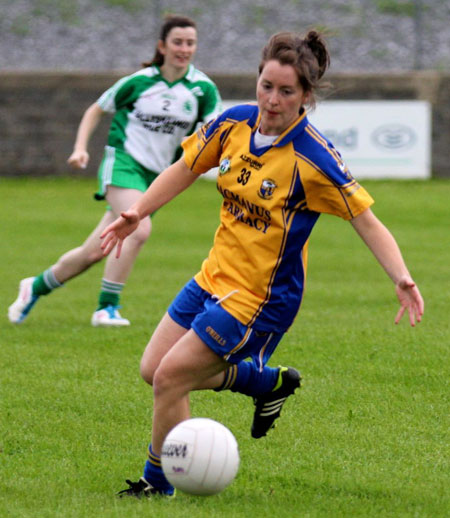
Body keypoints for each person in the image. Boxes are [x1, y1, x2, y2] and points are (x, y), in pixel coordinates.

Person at [100, 30, 424, 497]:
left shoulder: (313, 158)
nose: (272, 100)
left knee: (170, 379)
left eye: (286, 91)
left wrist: (402, 276)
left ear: (306, 97)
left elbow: (366, 221)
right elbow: (185, 168)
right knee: (153, 369)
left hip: (261, 299)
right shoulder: (232, 124)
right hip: (213, 277)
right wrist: (137, 212)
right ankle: (261, 381)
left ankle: (158, 483)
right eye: (266, 85)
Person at [8, 14, 222, 327]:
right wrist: (80, 148)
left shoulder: (203, 89)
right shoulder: (139, 82)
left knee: (93, 252)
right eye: (177, 42)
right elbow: (95, 109)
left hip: (157, 179)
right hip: (123, 164)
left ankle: (34, 287)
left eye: (190, 43)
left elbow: (214, 133)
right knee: (139, 228)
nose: (184, 48)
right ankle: (106, 308)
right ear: (162, 46)